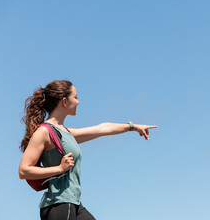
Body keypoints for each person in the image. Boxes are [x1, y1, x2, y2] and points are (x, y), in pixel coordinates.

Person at [18, 80, 157, 220]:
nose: (78, 102)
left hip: (73, 203)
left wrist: (132, 127)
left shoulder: (67, 133)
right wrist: (60, 168)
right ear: (64, 102)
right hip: (59, 204)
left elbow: (102, 128)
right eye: (76, 97)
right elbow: (24, 170)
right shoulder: (44, 131)